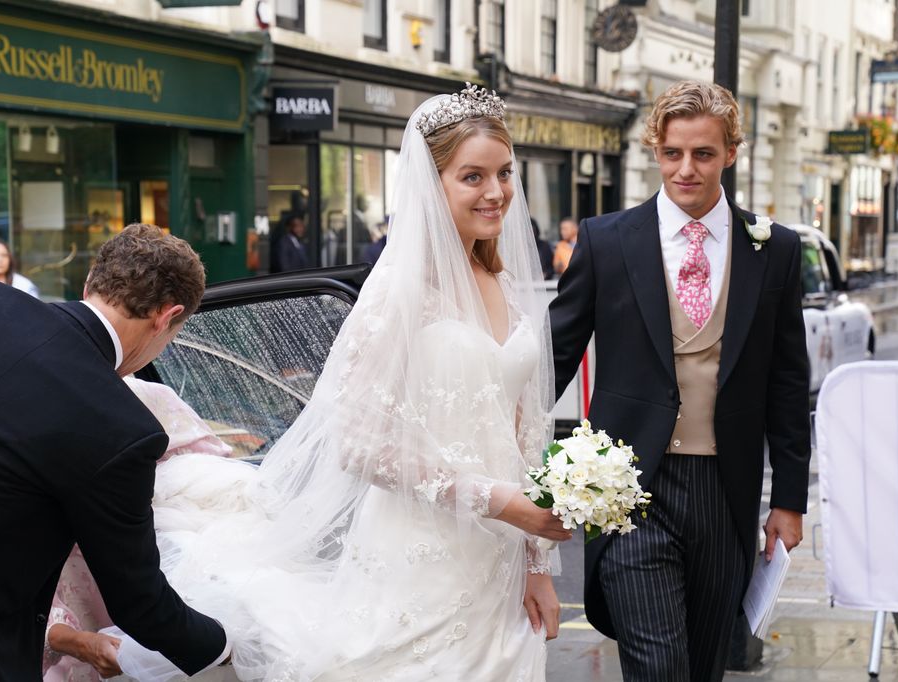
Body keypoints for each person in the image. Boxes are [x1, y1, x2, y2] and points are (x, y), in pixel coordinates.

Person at [112, 84, 570, 681]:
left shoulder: (505, 285)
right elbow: (358, 444)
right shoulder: (400, 291)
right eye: (472, 176)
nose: (496, 192)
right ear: (432, 186)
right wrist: (498, 500)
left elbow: (523, 426)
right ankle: (116, 651)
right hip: (422, 547)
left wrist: (537, 559)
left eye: (504, 173)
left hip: (502, 552)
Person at [549, 80, 811, 681]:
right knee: (658, 666)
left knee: (704, 667)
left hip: (726, 487)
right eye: (672, 153)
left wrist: (790, 500)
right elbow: (552, 359)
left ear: (731, 153)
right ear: (656, 151)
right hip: (629, 490)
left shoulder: (775, 250)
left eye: (703, 154)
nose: (685, 169)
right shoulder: (606, 241)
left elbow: (787, 384)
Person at [0, 224, 229, 680]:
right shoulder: (121, 427)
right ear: (167, 316)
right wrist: (226, 646)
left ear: (89, 283)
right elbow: (141, 603)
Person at [43, 376, 233, 682]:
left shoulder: (152, 400)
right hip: (70, 634)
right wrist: (74, 641)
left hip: (179, 614)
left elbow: (224, 495)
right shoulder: (6, 420)